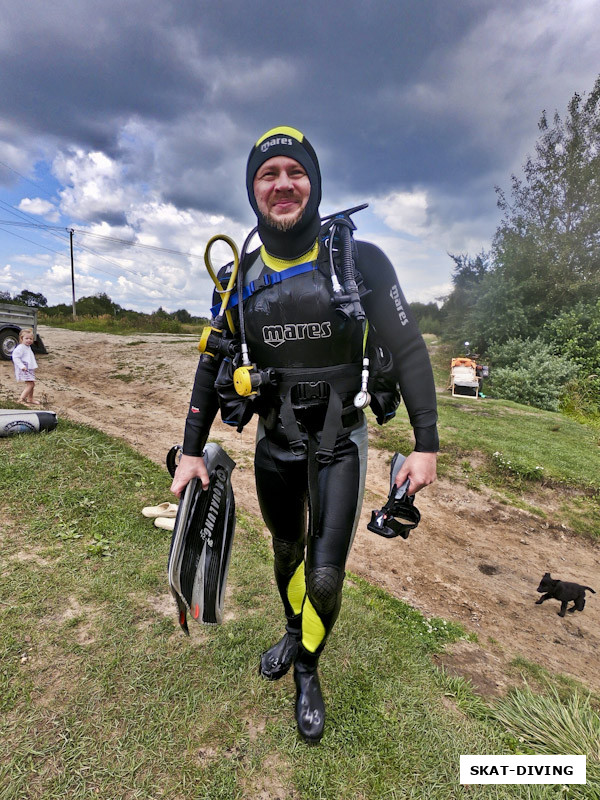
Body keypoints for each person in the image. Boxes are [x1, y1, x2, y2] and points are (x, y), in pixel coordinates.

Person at [171, 126, 439, 743]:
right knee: (286, 551)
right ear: (253, 191)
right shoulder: (238, 278)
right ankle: (293, 632)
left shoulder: (360, 260)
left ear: (314, 184)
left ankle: (308, 672)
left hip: (341, 442)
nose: (283, 184)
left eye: (296, 172)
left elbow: (409, 347)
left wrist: (425, 444)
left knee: (325, 573)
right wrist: (190, 453)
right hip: (276, 443)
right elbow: (212, 365)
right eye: (269, 174)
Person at [12, 328, 40, 405]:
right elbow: (15, 357)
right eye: (26, 338)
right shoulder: (20, 348)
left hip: (29, 368)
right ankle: (21, 399)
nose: (29, 340)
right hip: (24, 368)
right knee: (30, 384)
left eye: (30, 339)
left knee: (32, 384)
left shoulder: (28, 347)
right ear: (22, 338)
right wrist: (22, 366)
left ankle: (30, 399)